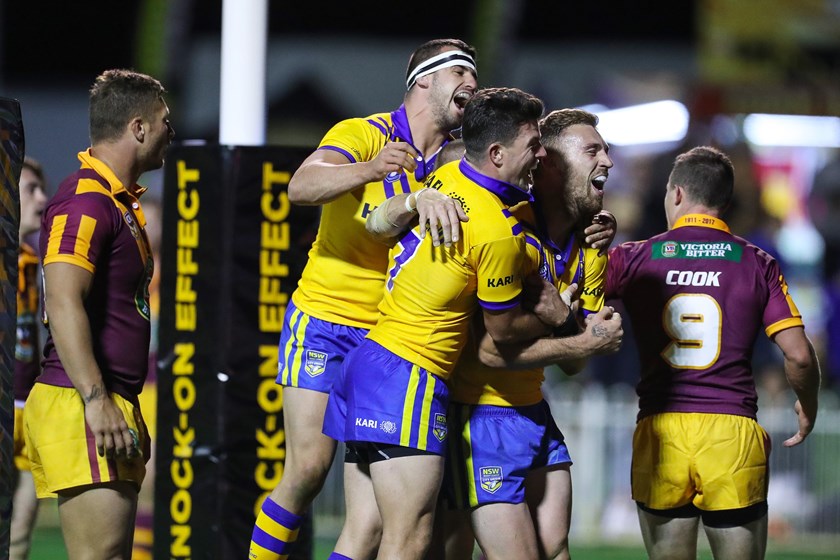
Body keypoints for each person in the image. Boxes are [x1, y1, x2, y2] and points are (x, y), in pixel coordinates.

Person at [321, 86, 582, 560]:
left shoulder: (443, 179)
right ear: (497, 154)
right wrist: (559, 317)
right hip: (410, 374)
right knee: (411, 537)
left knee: (363, 533)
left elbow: (377, 226)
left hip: (369, 361)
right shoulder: (498, 233)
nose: (542, 155)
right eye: (533, 145)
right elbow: (502, 333)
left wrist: (411, 200)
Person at [248, 38, 477, 560]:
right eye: (459, 71)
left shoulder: (455, 160)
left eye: (474, 74)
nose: (472, 82)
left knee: (370, 522)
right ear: (423, 80)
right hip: (326, 319)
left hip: (389, 343)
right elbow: (301, 187)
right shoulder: (364, 133)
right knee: (308, 469)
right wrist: (371, 168)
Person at [606, 146, 820, 560]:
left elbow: (569, 297)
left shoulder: (632, 257)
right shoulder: (757, 263)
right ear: (725, 200)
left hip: (661, 430)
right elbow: (799, 356)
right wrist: (807, 404)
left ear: (677, 194)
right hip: (730, 431)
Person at [442, 109, 624, 560]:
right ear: (548, 166)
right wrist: (580, 337)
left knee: (555, 550)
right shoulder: (509, 231)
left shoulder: (591, 249)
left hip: (534, 411)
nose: (607, 161)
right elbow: (487, 352)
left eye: (606, 150)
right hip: (478, 416)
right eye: (592, 151)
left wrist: (567, 326)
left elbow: (575, 362)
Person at [24, 69, 174, 560]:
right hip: (81, 398)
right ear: (138, 128)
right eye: (164, 121)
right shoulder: (86, 200)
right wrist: (95, 399)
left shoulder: (115, 202)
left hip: (107, 397)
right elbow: (62, 300)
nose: (170, 131)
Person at [10, 157, 48, 560]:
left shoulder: (31, 260)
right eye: (31, 190)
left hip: (26, 410)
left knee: (19, 539)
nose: (42, 199)